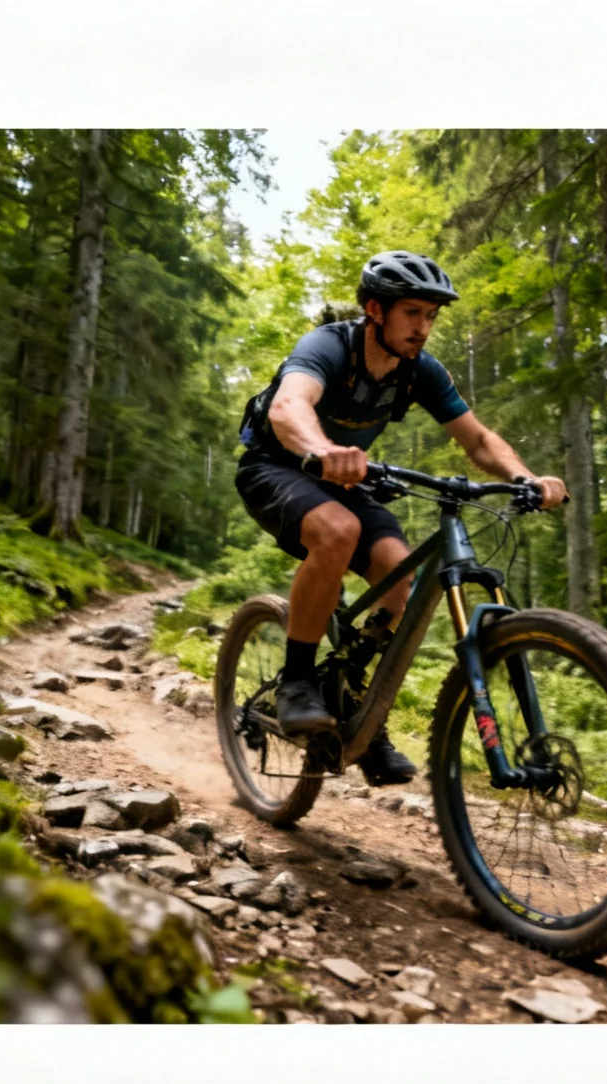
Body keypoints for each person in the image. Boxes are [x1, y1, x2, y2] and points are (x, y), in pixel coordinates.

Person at [233, 250, 568, 785]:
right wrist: (324, 449)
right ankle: (298, 680)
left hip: (346, 478)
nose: (424, 327)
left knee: (401, 583)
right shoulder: (329, 347)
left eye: (432, 316)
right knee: (338, 531)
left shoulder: (419, 372)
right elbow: (289, 406)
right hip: (277, 466)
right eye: (413, 312)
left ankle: (359, 712)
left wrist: (526, 477)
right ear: (375, 309)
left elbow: (478, 439)